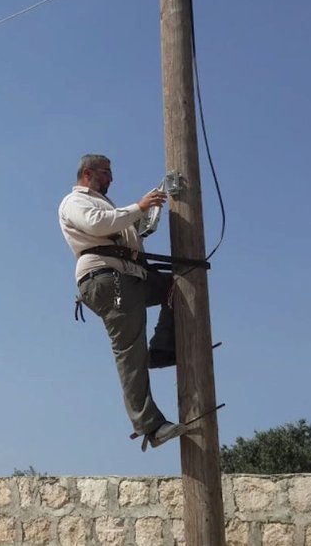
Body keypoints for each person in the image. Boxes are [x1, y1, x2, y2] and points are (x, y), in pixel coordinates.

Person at [58, 153, 185, 450]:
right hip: (107, 279)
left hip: (127, 276)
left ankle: (163, 349)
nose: (111, 179)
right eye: (105, 173)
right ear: (88, 174)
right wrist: (138, 207)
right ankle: (149, 424)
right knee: (129, 350)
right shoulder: (75, 201)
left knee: (178, 284)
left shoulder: (105, 205)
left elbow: (119, 231)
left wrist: (142, 219)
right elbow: (98, 225)